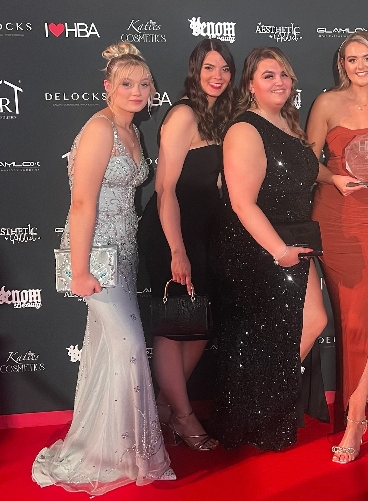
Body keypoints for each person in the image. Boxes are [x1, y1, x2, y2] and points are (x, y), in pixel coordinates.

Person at [32, 42, 174, 494]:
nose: (137, 91)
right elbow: (80, 203)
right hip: (94, 255)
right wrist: (79, 270)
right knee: (130, 347)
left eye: (145, 84)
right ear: (107, 86)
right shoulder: (99, 129)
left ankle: (110, 449)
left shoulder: (131, 130)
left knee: (107, 351)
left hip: (123, 253)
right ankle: (128, 454)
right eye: (127, 83)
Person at [211, 47, 328, 451]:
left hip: (297, 239)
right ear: (250, 86)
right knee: (268, 334)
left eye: (285, 75)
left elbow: (307, 171)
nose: (279, 81)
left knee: (309, 322)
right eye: (268, 75)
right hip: (262, 246)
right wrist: (278, 250)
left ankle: (262, 402)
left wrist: (340, 180)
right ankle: (256, 413)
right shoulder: (245, 129)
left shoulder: (289, 125)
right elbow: (242, 202)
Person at [307, 31, 368, 463]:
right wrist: (335, 178)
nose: (359, 65)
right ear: (341, 64)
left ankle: (354, 420)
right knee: (346, 316)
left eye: (367, 57)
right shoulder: (326, 103)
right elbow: (309, 163)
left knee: (360, 316)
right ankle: (354, 406)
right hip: (333, 216)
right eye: (350, 59)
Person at [137, 39, 235, 450]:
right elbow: (165, 189)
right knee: (174, 327)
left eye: (225, 69)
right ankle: (184, 415)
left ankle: (164, 406)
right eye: (209, 68)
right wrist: (177, 249)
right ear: (195, 70)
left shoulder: (217, 117)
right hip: (170, 231)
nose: (217, 76)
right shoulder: (183, 114)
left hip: (201, 234)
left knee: (196, 328)